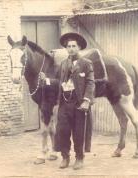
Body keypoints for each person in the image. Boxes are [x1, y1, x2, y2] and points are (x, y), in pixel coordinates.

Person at [53, 32, 95, 170]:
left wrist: (87, 100)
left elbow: (90, 83)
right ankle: (65, 157)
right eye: (68, 46)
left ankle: (79, 158)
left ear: (79, 47)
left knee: (79, 132)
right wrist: (45, 80)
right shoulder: (63, 64)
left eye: (73, 46)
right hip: (65, 103)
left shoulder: (86, 64)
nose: (70, 49)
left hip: (79, 104)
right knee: (62, 131)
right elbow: (57, 81)